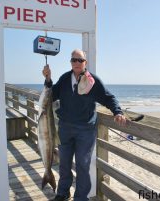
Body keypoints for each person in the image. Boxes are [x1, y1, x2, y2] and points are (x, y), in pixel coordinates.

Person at [42, 49, 126, 201]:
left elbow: (108, 98)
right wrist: (48, 80)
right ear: (71, 62)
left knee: (83, 165)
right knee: (64, 163)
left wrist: (117, 112)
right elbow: (51, 95)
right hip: (65, 128)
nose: (77, 63)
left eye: (80, 60)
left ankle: (81, 198)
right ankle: (62, 193)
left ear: (85, 62)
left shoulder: (92, 81)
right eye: (74, 60)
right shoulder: (65, 78)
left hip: (85, 130)